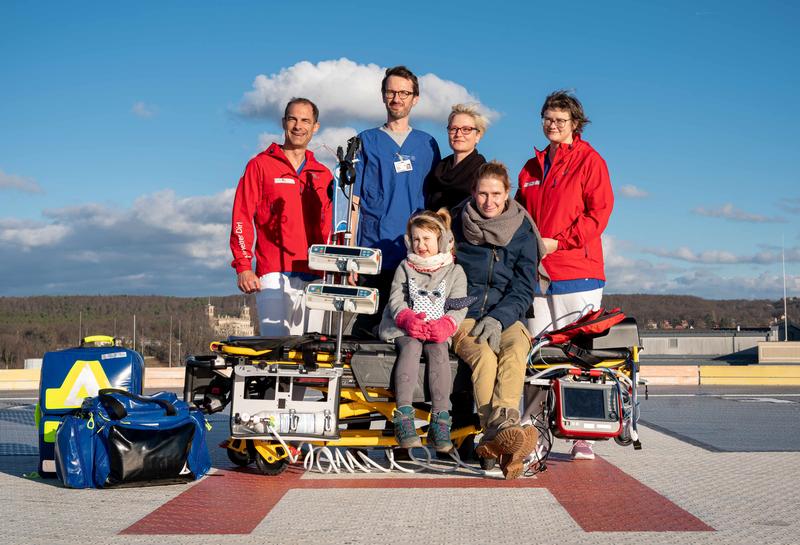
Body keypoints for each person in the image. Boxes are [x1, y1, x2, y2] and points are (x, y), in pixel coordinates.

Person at [517, 90, 614, 460]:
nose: (552, 125)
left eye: (560, 119)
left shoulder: (591, 161)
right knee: (538, 356)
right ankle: (535, 433)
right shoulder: (530, 167)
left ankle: (582, 435)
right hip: (539, 275)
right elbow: (519, 216)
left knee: (577, 356)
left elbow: (598, 214)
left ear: (576, 123)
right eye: (547, 118)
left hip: (579, 273)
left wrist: (560, 242)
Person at [451, 160, 542, 479]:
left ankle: (497, 435)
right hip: (465, 314)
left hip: (507, 315)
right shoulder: (456, 225)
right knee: (486, 358)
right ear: (473, 192)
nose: (488, 201)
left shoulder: (522, 231)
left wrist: (499, 318)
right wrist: (465, 309)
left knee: (517, 349)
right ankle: (502, 431)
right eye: (482, 194)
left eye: (496, 194)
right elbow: (442, 276)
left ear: (507, 194)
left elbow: (523, 286)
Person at [230, 97, 333, 336]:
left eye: (305, 120)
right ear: (283, 122)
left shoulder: (324, 174)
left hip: (315, 274)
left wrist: (337, 269)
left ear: (315, 127)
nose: (298, 126)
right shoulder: (260, 165)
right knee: (275, 351)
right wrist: (243, 266)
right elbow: (241, 217)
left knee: (310, 354)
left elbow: (331, 227)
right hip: (273, 274)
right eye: (293, 119)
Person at [351, 65, 441, 333]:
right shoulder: (366, 141)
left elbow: (435, 205)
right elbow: (353, 203)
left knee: (412, 329)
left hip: (416, 254)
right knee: (367, 327)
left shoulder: (427, 144)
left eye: (404, 92)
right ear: (383, 96)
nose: (397, 98)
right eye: (391, 92)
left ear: (415, 98)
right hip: (374, 252)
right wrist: (353, 255)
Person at [378, 209, 468, 453]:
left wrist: (446, 325)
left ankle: (440, 420)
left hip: (436, 329)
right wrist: (407, 319)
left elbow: (458, 306)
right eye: (416, 239)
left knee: (438, 351)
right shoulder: (405, 266)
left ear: (440, 240)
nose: (420, 245)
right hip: (404, 327)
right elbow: (396, 299)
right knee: (410, 347)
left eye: (426, 239)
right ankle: (404, 417)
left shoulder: (454, 271)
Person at [425, 103, 488, 212]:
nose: (458, 134)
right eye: (454, 128)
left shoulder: (483, 173)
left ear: (478, 136)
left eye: (466, 129)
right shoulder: (437, 170)